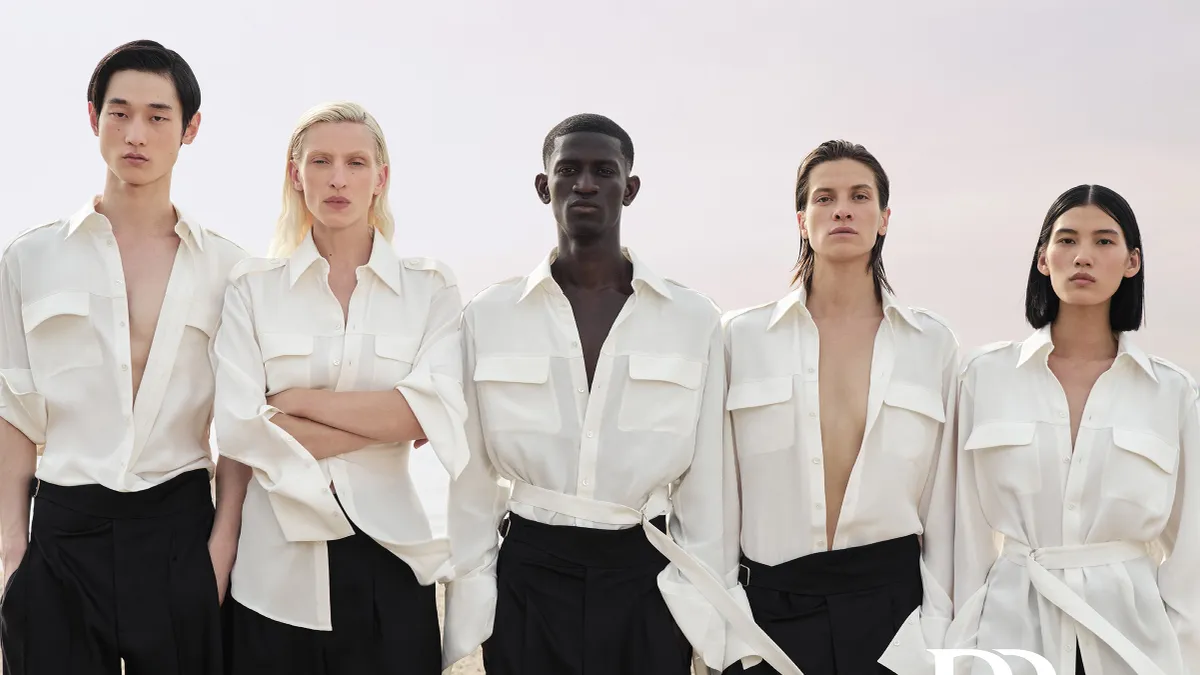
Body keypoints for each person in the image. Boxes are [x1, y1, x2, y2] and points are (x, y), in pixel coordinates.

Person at [441, 113, 795, 675]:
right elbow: (470, 478)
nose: (585, 184)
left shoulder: (692, 318)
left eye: (604, 171)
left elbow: (706, 487)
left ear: (629, 189)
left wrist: (702, 612)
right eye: (568, 170)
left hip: (647, 575)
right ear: (543, 187)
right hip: (529, 573)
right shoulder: (489, 316)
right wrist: (474, 599)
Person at [0, 40, 247, 675]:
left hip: (179, 529)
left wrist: (220, 552)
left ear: (190, 129)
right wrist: (11, 555)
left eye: (159, 116)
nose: (136, 133)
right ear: (93, 118)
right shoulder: (29, 259)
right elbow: (12, 410)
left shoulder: (232, 269)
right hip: (60, 530)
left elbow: (243, 421)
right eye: (119, 112)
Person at [210, 101, 467, 675]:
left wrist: (296, 405)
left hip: (393, 560)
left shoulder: (430, 289)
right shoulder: (252, 289)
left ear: (381, 178)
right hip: (274, 571)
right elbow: (237, 429)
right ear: (295, 174)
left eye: (356, 162)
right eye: (320, 161)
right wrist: (390, 420)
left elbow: (435, 412)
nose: (337, 177)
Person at [721, 140, 958, 675]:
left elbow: (945, 506)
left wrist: (934, 635)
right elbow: (714, 496)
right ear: (802, 220)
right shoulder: (740, 337)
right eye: (824, 198)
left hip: (896, 617)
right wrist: (730, 635)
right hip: (764, 616)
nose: (843, 209)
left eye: (859, 196)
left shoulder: (932, 344)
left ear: (885, 218)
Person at [948, 185, 1198, 675]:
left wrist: (1184, 658)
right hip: (1009, 640)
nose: (1083, 256)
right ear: (1043, 258)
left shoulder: (1174, 393)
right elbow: (961, 534)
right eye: (1066, 241)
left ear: (1132, 262)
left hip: (1132, 646)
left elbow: (1191, 551)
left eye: (1105, 242)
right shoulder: (982, 376)